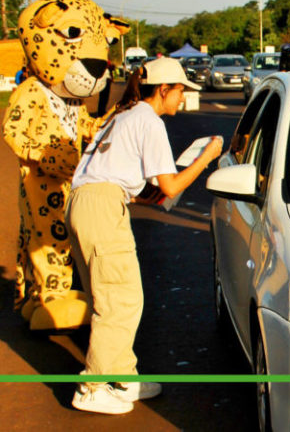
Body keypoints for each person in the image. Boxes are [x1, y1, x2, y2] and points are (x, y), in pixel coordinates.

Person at [65, 57, 223, 415]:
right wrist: (206, 158)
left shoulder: (126, 115)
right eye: (180, 90)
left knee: (109, 297)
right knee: (121, 301)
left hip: (85, 202)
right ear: (163, 90)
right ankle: (91, 387)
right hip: (103, 208)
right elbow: (169, 183)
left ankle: (122, 377)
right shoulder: (148, 121)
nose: (183, 98)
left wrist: (144, 194)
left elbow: (127, 177)